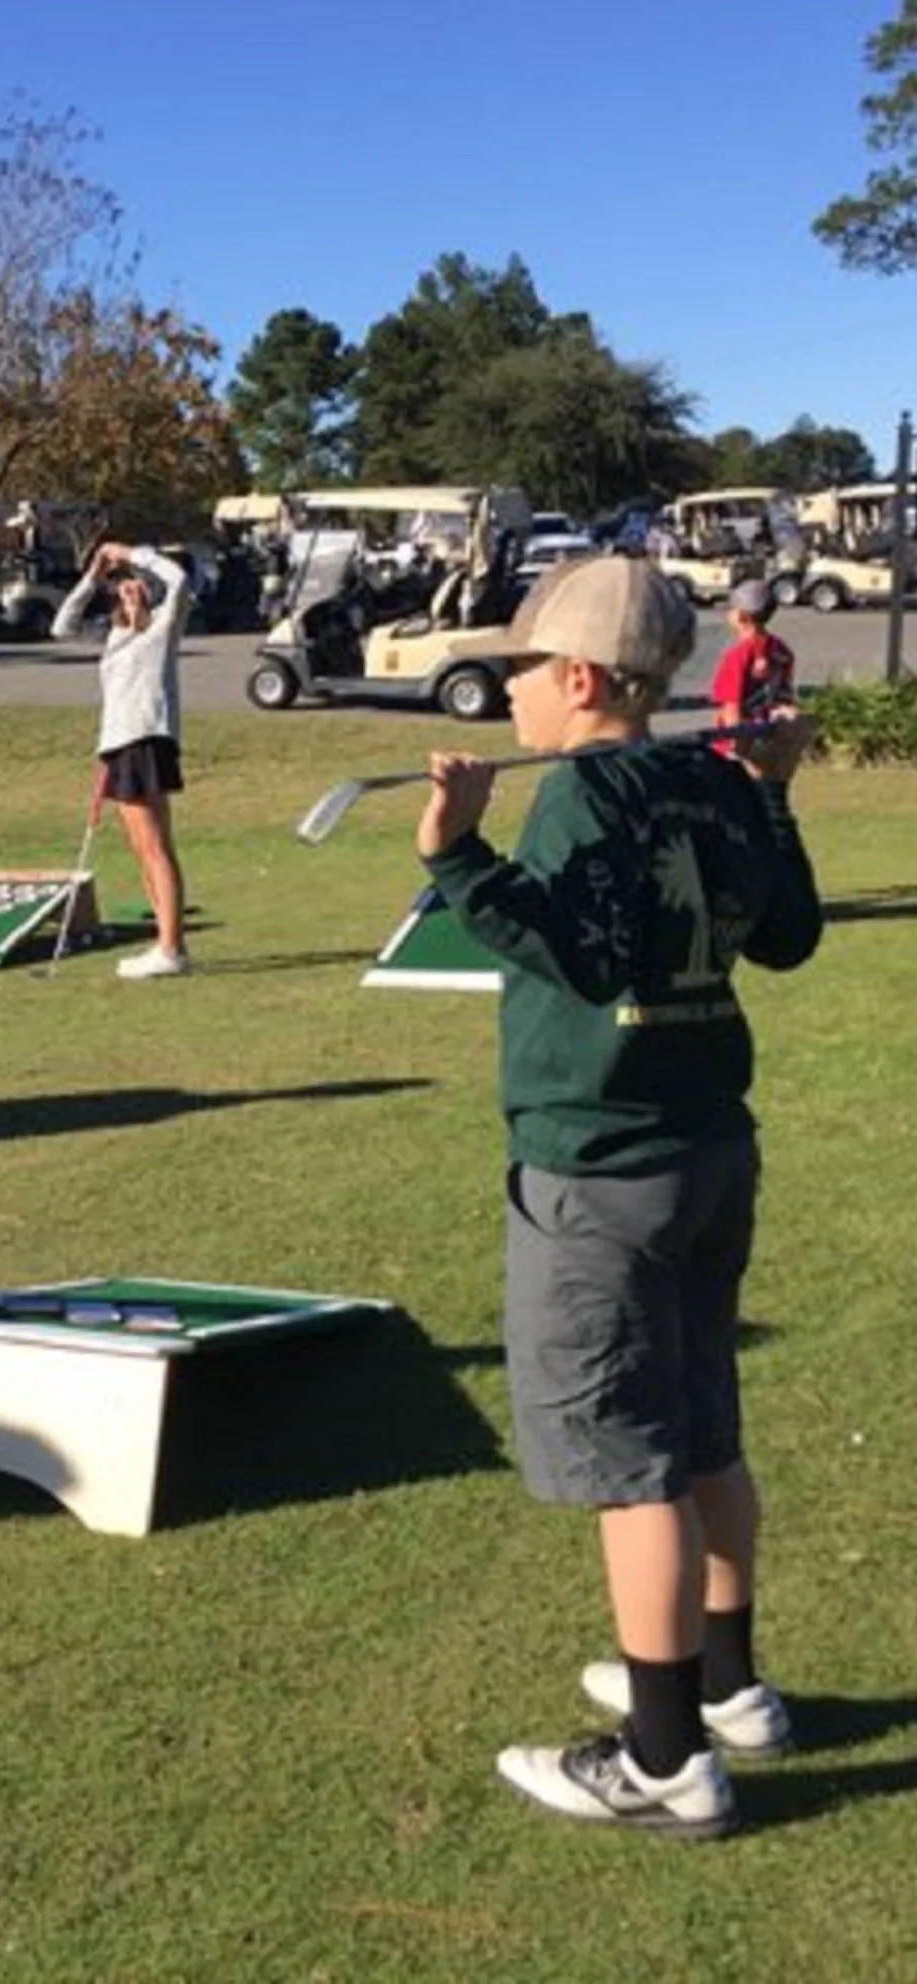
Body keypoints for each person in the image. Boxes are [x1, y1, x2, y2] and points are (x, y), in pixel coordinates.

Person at [417, 556, 821, 1840]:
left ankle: (661, 1757)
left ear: (580, 678)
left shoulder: (577, 796)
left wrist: (459, 855)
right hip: (709, 1152)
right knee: (700, 1430)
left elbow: (584, 955)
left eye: (525, 670)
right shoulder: (714, 773)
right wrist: (772, 794)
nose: (511, 694)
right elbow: (788, 932)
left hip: (601, 1164)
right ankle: (724, 1681)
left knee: (627, 1464)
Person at [52, 540, 191, 978]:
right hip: (120, 746)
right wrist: (93, 575)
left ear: (149, 590)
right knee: (143, 849)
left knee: (154, 848)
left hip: (146, 740)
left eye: (136, 585)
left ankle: (170, 950)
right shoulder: (112, 636)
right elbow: (62, 626)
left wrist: (134, 553)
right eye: (122, 586)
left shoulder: (162, 627)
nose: (128, 590)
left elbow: (181, 579)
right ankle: (169, 946)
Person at [710, 579, 796, 738]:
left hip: (745, 742)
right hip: (771, 738)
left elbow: (731, 708)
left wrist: (735, 747)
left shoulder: (736, 656)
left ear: (742, 617)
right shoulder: (781, 650)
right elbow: (785, 696)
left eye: (731, 609)